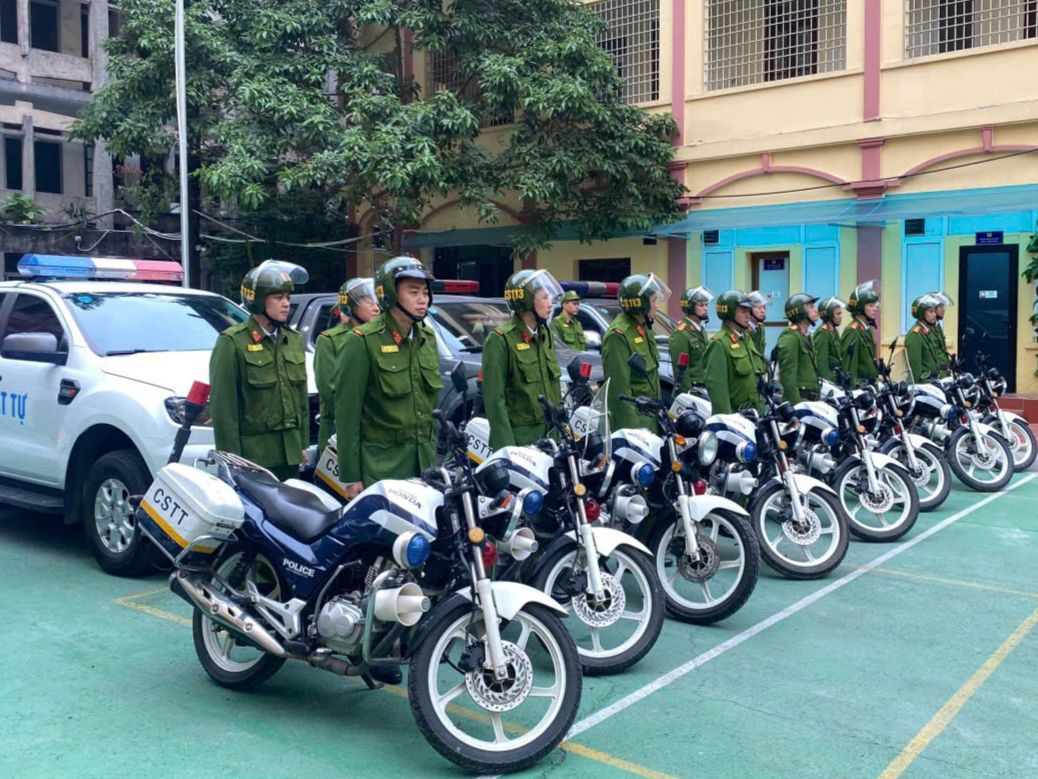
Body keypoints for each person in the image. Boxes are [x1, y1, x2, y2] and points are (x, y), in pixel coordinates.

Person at [333, 256, 442, 498]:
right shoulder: (361, 341)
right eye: (414, 292)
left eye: (425, 292)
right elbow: (347, 414)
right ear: (390, 294)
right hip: (382, 466)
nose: (423, 299)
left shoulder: (426, 338)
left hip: (423, 462)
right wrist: (351, 476)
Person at [208, 260, 310, 481]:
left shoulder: (292, 340)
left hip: (289, 455)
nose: (286, 304)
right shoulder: (233, 342)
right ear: (257, 301)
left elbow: (300, 401)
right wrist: (232, 461)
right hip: (254, 457)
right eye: (278, 298)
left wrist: (300, 444)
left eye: (288, 298)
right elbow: (224, 410)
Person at [482, 270, 565, 451]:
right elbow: (495, 401)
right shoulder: (501, 339)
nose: (550, 303)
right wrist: (506, 449)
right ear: (525, 301)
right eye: (544, 297)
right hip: (521, 440)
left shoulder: (545, 334)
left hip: (551, 436)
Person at [314, 278, 379, 452]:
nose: (376, 306)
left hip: (377, 435)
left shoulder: (381, 338)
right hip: (340, 432)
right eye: (368, 299)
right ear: (350, 305)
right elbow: (331, 392)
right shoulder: (330, 340)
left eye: (377, 299)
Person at [603, 273, 670, 431]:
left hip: (652, 419)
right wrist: (632, 434)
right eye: (653, 301)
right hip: (637, 424)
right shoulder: (618, 335)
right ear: (639, 304)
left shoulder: (643, 328)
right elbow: (618, 393)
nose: (657, 306)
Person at [704, 290, 766, 414]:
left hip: (755, 412)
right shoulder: (719, 344)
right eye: (743, 311)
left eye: (749, 311)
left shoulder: (746, 338)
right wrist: (727, 421)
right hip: (737, 416)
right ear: (730, 313)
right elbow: (718, 391)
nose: (748, 316)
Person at [775, 293, 821, 403]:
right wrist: (796, 405)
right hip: (799, 399)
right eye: (811, 307)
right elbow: (788, 376)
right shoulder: (791, 337)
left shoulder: (805, 335)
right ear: (801, 312)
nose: (816, 310)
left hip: (810, 398)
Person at [668, 285, 713, 393]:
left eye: (706, 305)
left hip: (703, 389)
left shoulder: (701, 331)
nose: (706, 308)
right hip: (692, 391)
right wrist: (688, 396)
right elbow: (681, 373)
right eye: (701, 305)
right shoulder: (681, 334)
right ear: (690, 306)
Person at [840, 280, 880, 386]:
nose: (875, 309)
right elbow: (849, 365)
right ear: (861, 307)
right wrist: (854, 390)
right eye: (871, 306)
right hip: (860, 387)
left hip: (869, 385)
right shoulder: (853, 331)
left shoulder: (866, 329)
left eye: (875, 305)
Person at [905, 294, 944, 382]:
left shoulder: (928, 332)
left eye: (935, 311)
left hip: (933, 381)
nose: (935, 315)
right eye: (930, 312)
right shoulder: (915, 335)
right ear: (922, 313)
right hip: (923, 385)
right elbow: (915, 369)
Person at [813, 296, 846, 383]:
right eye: (837, 314)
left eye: (840, 313)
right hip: (829, 381)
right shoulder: (822, 334)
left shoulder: (833, 331)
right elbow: (821, 365)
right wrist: (830, 382)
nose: (841, 317)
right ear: (829, 316)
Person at [930, 291, 953, 376]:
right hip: (936, 374)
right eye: (940, 307)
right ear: (932, 308)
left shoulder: (937, 326)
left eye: (944, 306)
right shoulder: (926, 329)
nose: (944, 310)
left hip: (944, 371)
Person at [747, 290, 770, 358]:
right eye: (759, 308)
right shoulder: (743, 329)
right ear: (749, 310)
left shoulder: (761, 328)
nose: (763, 311)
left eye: (764, 307)